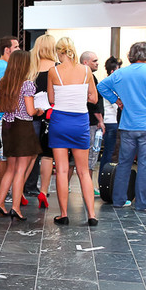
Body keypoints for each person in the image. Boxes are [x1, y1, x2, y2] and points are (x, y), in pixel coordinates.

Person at [97, 41, 146, 212]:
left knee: (124, 163)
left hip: (127, 125)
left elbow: (101, 86)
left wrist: (117, 100)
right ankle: (143, 203)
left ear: (131, 55)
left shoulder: (121, 73)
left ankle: (119, 200)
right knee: (144, 164)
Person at [46, 37, 99, 225]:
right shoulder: (86, 71)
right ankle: (91, 215)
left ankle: (63, 214)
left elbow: (51, 99)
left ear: (58, 52)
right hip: (80, 122)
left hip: (60, 121)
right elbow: (94, 98)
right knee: (83, 171)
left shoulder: (53, 71)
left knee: (61, 170)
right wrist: (80, 95)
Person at [0, 49, 44, 221]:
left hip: (7, 125)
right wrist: (39, 110)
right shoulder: (27, 84)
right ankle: (15, 207)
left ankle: (0, 203)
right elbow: (30, 111)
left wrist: (11, 107)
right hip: (23, 127)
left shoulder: (3, 82)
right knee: (20, 171)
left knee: (10, 169)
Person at [0, 35, 20, 202]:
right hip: (3, 118)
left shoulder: (5, 66)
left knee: (6, 157)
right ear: (7, 50)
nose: (19, 50)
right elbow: (5, 96)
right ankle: (1, 192)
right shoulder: (2, 67)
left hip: (6, 117)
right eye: (16, 47)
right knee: (3, 157)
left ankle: (3, 191)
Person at [30, 33, 58, 208]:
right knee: (48, 156)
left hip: (31, 115)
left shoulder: (30, 69)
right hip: (51, 116)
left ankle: (21, 190)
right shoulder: (57, 69)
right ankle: (43, 191)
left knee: (29, 156)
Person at [80, 51, 105, 172]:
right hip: (90, 122)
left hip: (82, 120)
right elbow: (93, 102)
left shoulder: (81, 77)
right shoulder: (89, 78)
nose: (97, 63)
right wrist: (100, 120)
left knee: (74, 160)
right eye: (94, 61)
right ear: (85, 62)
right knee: (90, 156)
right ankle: (88, 182)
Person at [100, 56, 122, 173]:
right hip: (112, 121)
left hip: (108, 121)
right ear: (113, 71)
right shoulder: (111, 86)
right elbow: (117, 105)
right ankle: (106, 178)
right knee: (111, 154)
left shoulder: (105, 84)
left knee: (108, 153)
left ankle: (104, 178)